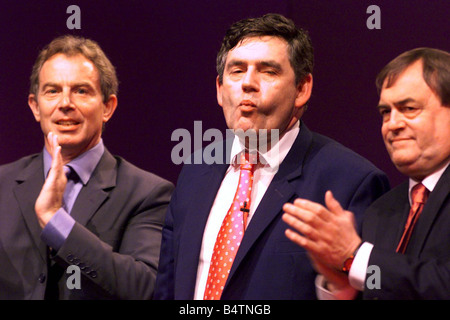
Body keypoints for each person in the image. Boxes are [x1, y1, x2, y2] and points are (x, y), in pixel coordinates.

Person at [154, 13, 390, 300]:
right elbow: (167, 288)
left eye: (268, 71)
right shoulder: (195, 171)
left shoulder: (350, 182)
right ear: (219, 89)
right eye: (237, 71)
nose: (248, 84)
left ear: (302, 89)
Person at [0, 35, 174, 299]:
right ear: (35, 106)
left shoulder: (148, 194)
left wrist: (55, 221)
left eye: (81, 91)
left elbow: (146, 287)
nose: (65, 103)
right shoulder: (2, 183)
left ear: (108, 107)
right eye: (52, 91)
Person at [282, 47, 450, 299]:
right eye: (386, 112)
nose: (392, 124)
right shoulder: (381, 211)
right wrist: (343, 288)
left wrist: (355, 255)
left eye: (409, 108)